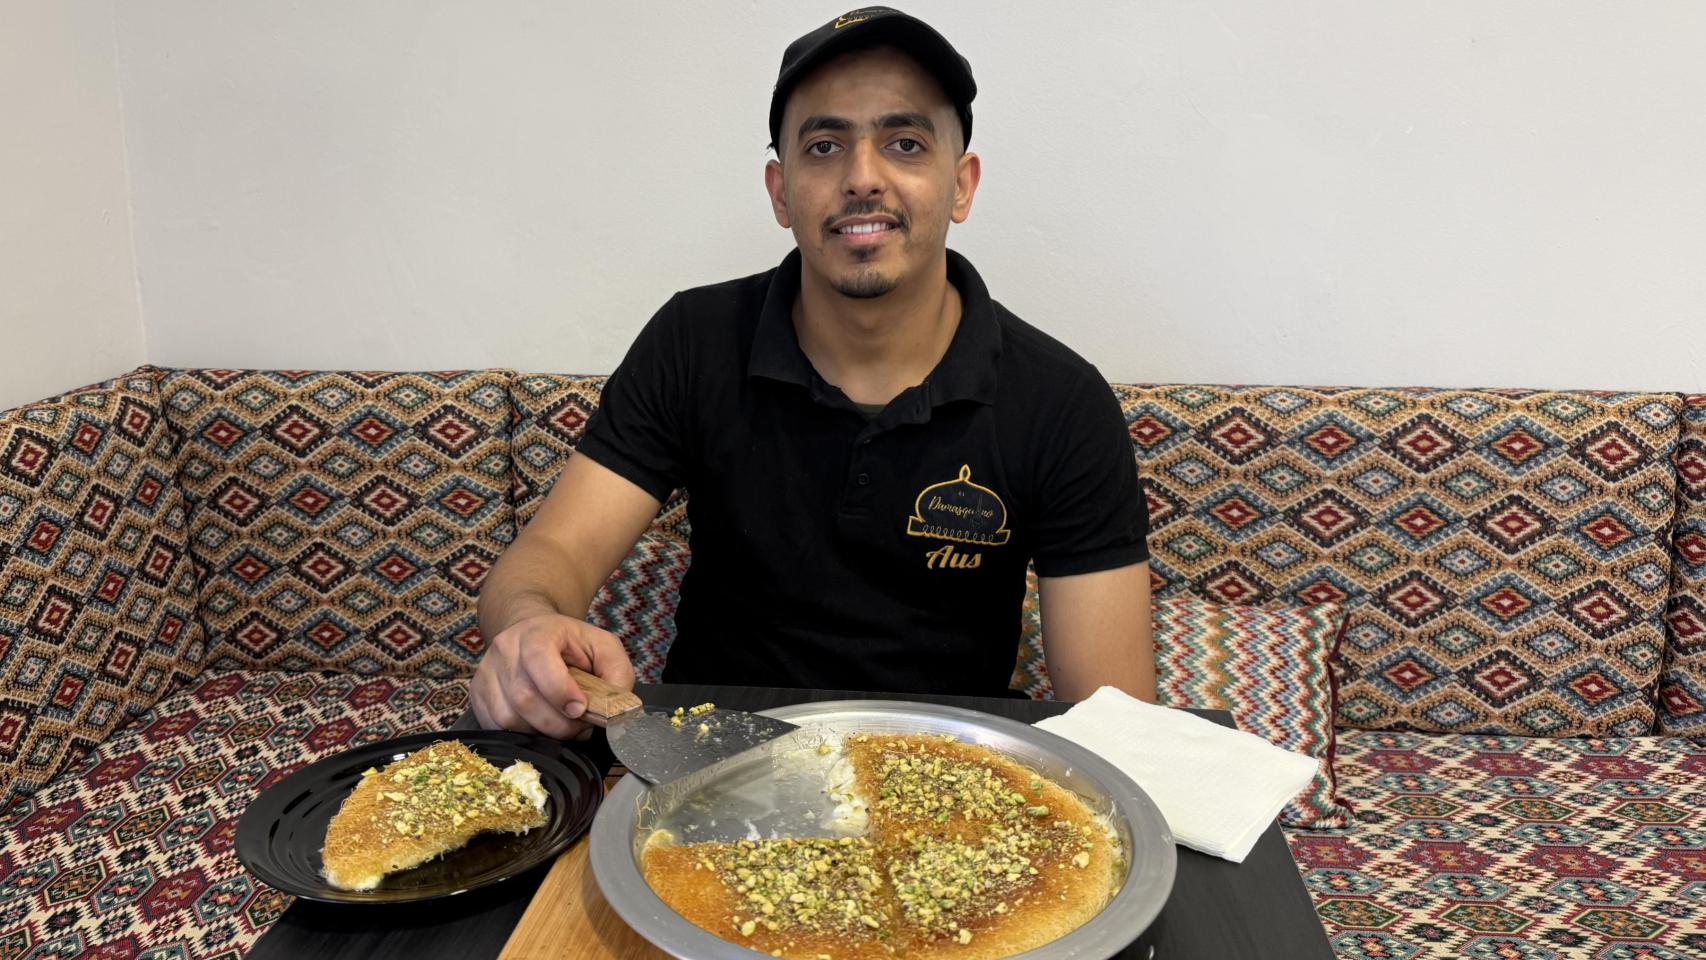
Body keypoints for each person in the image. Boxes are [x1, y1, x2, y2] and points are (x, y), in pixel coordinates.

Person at [471, 7, 1153, 739]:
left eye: (905, 142)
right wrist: (530, 625)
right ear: (780, 190)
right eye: (825, 145)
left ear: (961, 184)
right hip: (713, 762)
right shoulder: (693, 341)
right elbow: (549, 557)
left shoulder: (1062, 401)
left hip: (950, 781)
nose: (863, 178)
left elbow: (1117, 723)